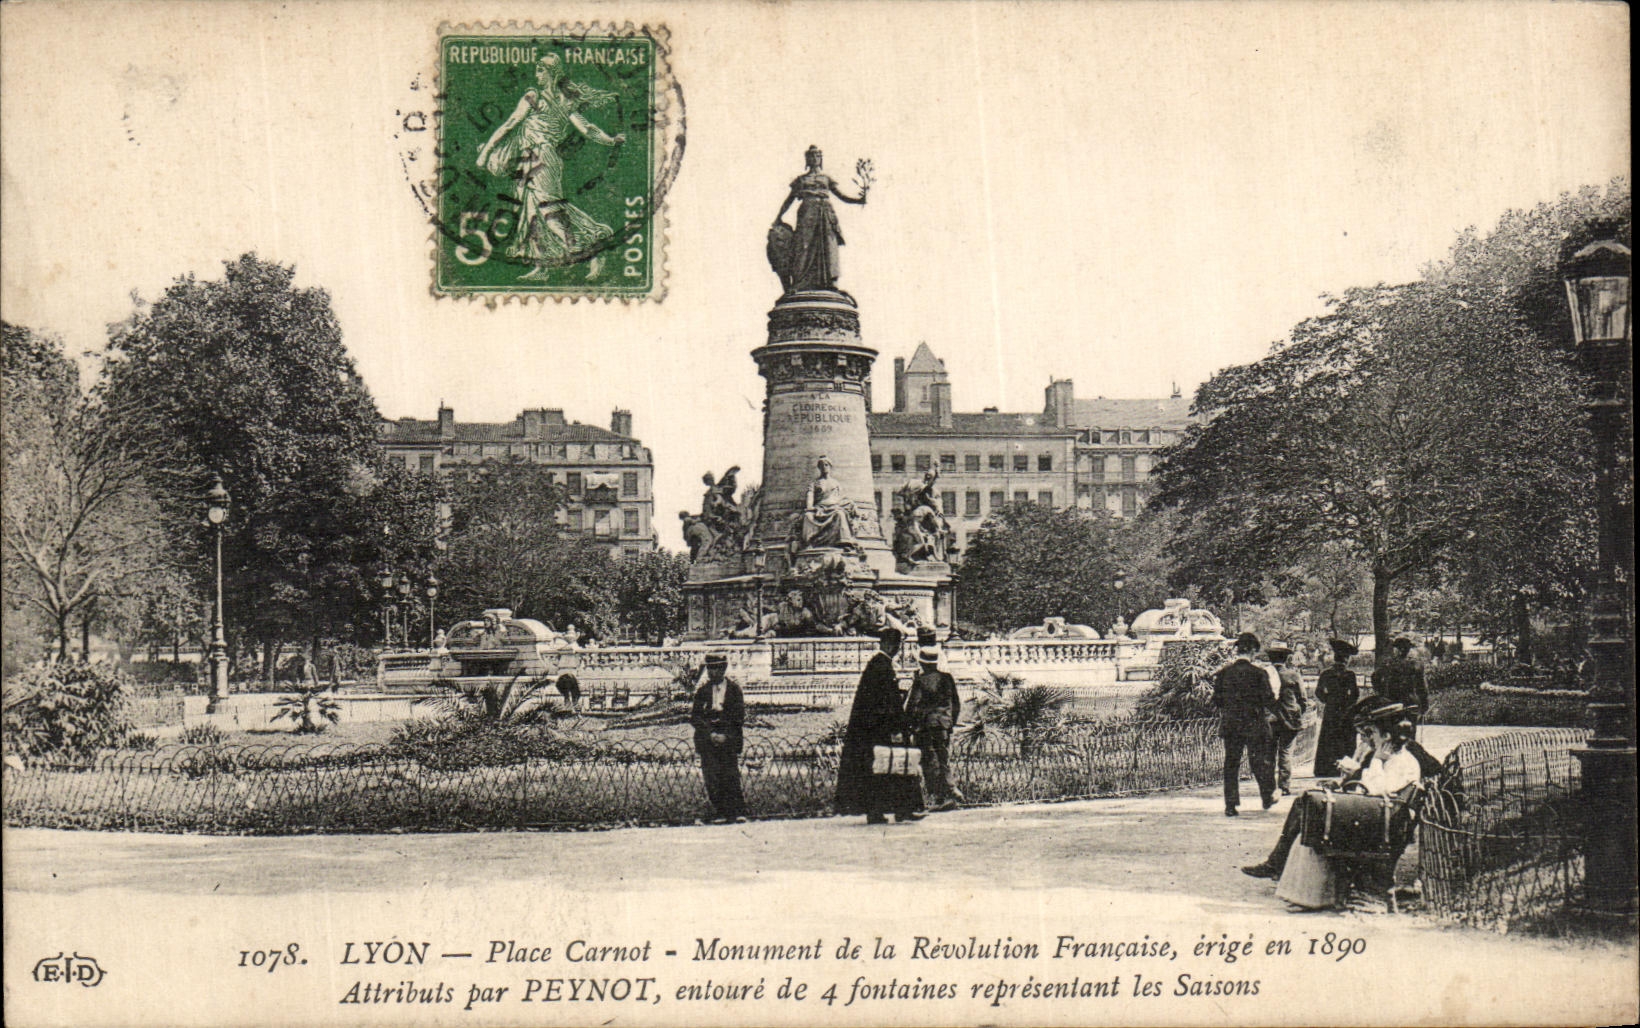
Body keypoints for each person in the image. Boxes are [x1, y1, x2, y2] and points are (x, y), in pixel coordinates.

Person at [1240, 700, 1425, 906]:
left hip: (1377, 823)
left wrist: (1376, 762)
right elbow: (1372, 788)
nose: (1369, 739)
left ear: (1387, 736)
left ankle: (1280, 868)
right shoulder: (1392, 758)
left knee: (1308, 805)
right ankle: (1281, 868)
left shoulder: (1400, 761)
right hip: (1377, 816)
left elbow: (1375, 791)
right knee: (1308, 803)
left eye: (1372, 733)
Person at [476, 53, 626, 280]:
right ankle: (542, 267)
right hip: (529, 160)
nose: (536, 75)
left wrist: (486, 152)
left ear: (552, 73)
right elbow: (588, 130)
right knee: (531, 213)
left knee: (549, 210)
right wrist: (610, 140)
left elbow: (510, 124)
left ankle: (592, 248)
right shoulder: (564, 103)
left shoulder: (536, 98)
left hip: (542, 158)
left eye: (540, 70)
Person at [835, 627, 924, 824]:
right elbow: (887, 702)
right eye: (895, 645)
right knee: (894, 767)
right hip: (880, 728)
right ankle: (901, 809)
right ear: (890, 645)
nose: (896, 649)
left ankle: (883, 810)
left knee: (881, 770)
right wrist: (899, 724)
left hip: (870, 728)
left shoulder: (877, 665)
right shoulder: (883, 666)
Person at [770, 146, 869, 293]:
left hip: (825, 214)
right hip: (807, 213)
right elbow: (789, 200)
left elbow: (841, 196)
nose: (815, 159)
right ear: (807, 160)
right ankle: (800, 281)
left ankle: (829, 281)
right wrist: (778, 217)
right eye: (811, 156)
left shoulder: (826, 179)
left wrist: (858, 200)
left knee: (828, 245)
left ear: (821, 159)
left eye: (817, 156)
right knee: (803, 245)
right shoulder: (801, 180)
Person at [1213, 632, 1279, 817]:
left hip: (1231, 724)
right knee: (1259, 761)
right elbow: (1268, 699)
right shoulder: (1259, 673)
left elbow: (1216, 700)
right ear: (1251, 651)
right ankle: (1266, 796)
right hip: (1254, 724)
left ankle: (1230, 805)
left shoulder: (1224, 673)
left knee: (1231, 763)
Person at [905, 629, 962, 811]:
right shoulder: (947, 678)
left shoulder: (921, 681)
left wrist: (909, 723)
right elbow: (956, 703)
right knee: (943, 758)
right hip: (943, 725)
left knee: (929, 760)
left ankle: (939, 796)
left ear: (922, 662)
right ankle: (951, 789)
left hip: (926, 725)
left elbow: (914, 704)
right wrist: (950, 722)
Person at [689, 654, 747, 824]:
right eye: (710, 668)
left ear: (723, 669)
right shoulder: (702, 691)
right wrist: (710, 735)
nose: (712, 672)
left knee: (730, 774)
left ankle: (737, 811)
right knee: (712, 776)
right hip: (708, 737)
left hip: (727, 736)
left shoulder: (734, 690)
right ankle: (720, 811)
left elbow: (738, 716)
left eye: (716, 668)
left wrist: (725, 736)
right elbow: (695, 717)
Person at [1313, 639, 1360, 778]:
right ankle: (1345, 767)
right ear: (1346, 659)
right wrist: (1348, 702)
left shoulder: (1326, 674)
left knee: (1329, 738)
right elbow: (1355, 694)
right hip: (1345, 710)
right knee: (1345, 738)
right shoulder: (1350, 675)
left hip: (1331, 709)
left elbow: (1318, 692)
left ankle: (1326, 768)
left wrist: (1328, 700)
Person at [1266, 641, 1307, 796]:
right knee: (1285, 752)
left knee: (1269, 753)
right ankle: (1283, 786)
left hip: (1270, 719)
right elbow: (1303, 699)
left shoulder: (1264, 674)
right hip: (1290, 719)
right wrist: (1297, 713)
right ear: (1286, 658)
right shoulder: (1293, 675)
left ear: (1270, 658)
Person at [796, 456, 860, 552]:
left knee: (840, 514)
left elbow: (841, 497)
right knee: (808, 516)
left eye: (826, 465)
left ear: (830, 466)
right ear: (819, 468)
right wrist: (810, 507)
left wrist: (849, 504)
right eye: (821, 465)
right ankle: (808, 543)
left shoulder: (835, 483)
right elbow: (810, 495)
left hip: (834, 508)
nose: (824, 467)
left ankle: (844, 542)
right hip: (820, 509)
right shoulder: (815, 483)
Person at [1372, 636, 1429, 715]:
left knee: (1392, 725)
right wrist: (1424, 704)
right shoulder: (1416, 665)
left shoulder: (1388, 663)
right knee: (1410, 725)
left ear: (1398, 650)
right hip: (1410, 702)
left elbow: (1375, 677)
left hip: (1390, 702)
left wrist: (1381, 693)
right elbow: (1422, 687)